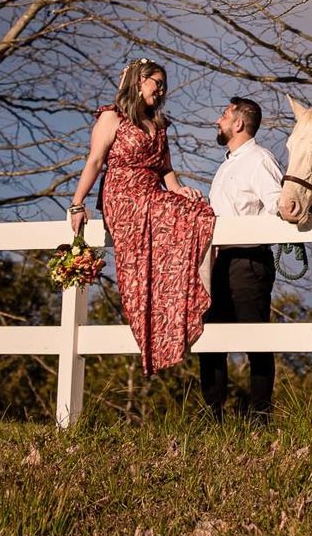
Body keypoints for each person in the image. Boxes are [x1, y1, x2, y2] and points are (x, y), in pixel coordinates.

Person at [68, 59, 216, 375]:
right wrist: (77, 203)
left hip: (153, 191)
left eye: (164, 85)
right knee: (173, 218)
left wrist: (180, 190)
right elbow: (95, 161)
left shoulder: (159, 125)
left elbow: (166, 171)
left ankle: (183, 300)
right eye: (155, 83)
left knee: (197, 211)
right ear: (138, 81)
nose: (161, 90)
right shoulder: (112, 118)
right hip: (122, 193)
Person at [200, 95, 284, 423]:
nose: (218, 121)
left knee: (255, 337)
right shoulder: (226, 165)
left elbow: (277, 202)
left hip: (249, 260)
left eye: (224, 115)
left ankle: (260, 414)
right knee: (211, 334)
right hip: (219, 261)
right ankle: (213, 411)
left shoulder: (260, 159)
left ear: (238, 123)